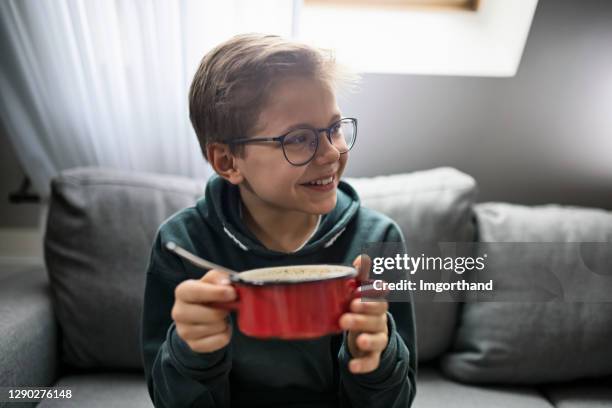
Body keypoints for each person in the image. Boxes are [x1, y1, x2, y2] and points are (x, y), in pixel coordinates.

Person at [141, 33, 417, 407]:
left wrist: (376, 355)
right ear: (227, 162)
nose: (332, 152)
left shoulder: (378, 239)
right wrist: (190, 350)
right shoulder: (184, 246)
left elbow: (396, 401)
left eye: (334, 128)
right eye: (299, 138)